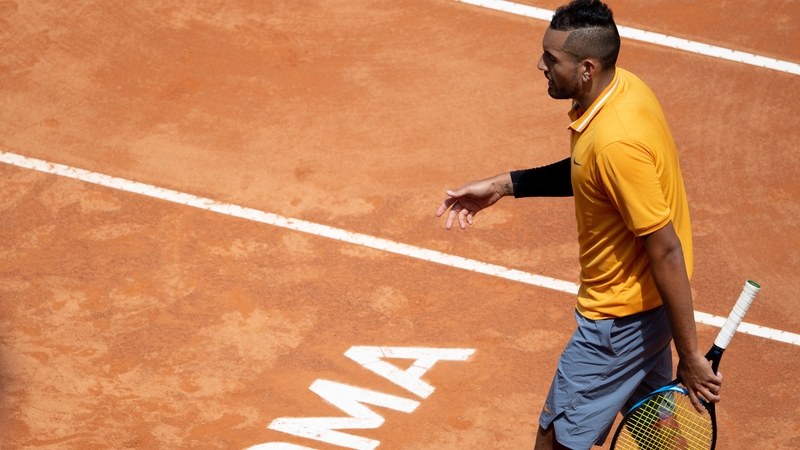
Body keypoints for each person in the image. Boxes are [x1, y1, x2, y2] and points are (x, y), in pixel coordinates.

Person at [435, 1, 723, 449]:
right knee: (655, 429)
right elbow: (589, 171)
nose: (541, 66)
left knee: (553, 440)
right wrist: (505, 185)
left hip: (616, 320)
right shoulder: (624, 90)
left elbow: (664, 247)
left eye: (552, 60)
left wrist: (690, 355)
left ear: (587, 68)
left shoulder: (615, 140)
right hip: (652, 308)